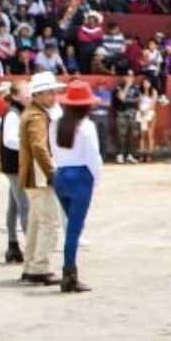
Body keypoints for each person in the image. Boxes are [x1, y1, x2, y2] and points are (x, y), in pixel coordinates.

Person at [50, 80, 102, 293]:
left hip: (61, 174)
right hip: (81, 176)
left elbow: (53, 150)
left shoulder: (55, 123)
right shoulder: (87, 126)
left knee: (71, 226)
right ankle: (69, 273)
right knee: (74, 230)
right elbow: (93, 157)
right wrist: (96, 179)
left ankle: (69, 272)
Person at [19, 71, 65, 286]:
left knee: (37, 223)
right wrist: (52, 172)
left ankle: (31, 265)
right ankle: (40, 266)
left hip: (32, 176)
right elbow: (39, 146)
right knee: (49, 223)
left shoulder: (32, 113)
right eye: (49, 93)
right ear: (37, 94)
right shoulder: (37, 117)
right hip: (38, 177)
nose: (53, 97)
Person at [0, 81, 30, 263]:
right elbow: (10, 140)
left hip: (14, 164)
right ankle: (31, 246)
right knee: (25, 206)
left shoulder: (16, 112)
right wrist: (29, 147)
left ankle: (13, 245)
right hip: (15, 165)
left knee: (14, 205)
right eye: (26, 91)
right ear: (16, 95)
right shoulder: (14, 114)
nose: (29, 94)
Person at [112, 72, 141, 164]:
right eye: (128, 76)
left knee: (133, 135)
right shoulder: (119, 87)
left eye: (131, 76)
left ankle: (130, 155)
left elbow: (139, 99)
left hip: (133, 114)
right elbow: (121, 98)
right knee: (121, 135)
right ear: (124, 77)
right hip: (122, 113)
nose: (130, 78)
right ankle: (120, 155)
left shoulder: (136, 87)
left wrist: (127, 100)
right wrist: (127, 86)